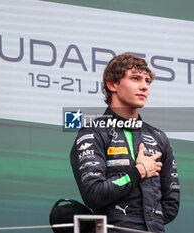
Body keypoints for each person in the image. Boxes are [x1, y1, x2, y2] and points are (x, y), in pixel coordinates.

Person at [70, 54, 180, 233]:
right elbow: (94, 194)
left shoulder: (159, 137)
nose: (144, 86)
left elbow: (171, 205)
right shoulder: (93, 132)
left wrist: (147, 224)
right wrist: (138, 172)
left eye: (147, 81)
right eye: (135, 79)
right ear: (112, 84)